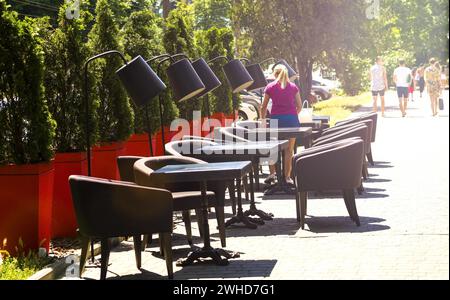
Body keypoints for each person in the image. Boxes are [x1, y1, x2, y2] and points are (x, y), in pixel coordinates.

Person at [261, 64, 302, 184]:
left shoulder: (270, 87)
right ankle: (287, 177)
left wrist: (263, 120)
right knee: (289, 150)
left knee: (272, 148)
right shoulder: (293, 87)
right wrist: (292, 115)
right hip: (291, 121)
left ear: (275, 74)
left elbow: (263, 107)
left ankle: (272, 174)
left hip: (276, 120)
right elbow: (299, 106)